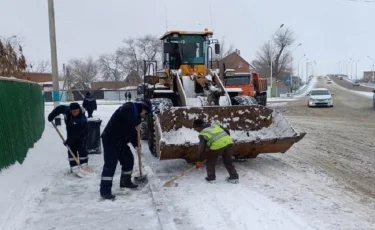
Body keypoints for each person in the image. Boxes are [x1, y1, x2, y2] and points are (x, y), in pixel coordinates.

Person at [99, 99, 152, 199]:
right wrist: (136, 122)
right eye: (146, 112)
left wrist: (137, 145)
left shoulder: (137, 117)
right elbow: (126, 115)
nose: (145, 115)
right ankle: (105, 191)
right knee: (110, 164)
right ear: (143, 108)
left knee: (128, 159)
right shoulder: (129, 107)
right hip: (110, 139)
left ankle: (125, 182)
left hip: (121, 141)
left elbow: (133, 134)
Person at [193, 119, 239, 184]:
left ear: (198, 128)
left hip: (217, 145)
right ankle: (234, 178)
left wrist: (200, 160)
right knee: (228, 161)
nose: (195, 130)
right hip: (228, 142)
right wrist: (223, 139)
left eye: (195, 129)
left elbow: (201, 149)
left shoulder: (203, 134)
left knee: (210, 162)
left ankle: (211, 178)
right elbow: (227, 132)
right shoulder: (214, 125)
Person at [48, 102, 89, 173]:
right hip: (70, 130)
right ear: (70, 110)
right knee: (71, 148)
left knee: (81, 148)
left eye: (77, 111)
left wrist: (68, 141)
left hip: (82, 133)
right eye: (74, 111)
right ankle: (74, 166)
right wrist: (51, 116)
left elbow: (77, 134)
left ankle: (84, 165)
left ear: (79, 110)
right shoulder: (66, 110)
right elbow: (59, 108)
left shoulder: (82, 119)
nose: (75, 113)